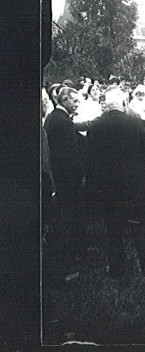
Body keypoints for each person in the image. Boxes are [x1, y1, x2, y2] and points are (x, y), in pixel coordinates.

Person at [85, 88, 145, 277]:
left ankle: (116, 269)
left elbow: (89, 159)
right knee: (139, 226)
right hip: (135, 187)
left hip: (107, 188)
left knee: (113, 229)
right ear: (123, 103)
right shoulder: (138, 124)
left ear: (106, 105)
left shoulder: (96, 127)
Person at [43, 86, 85, 282]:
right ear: (65, 101)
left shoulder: (55, 118)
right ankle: (71, 257)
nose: (77, 104)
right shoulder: (63, 121)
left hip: (59, 177)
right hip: (66, 179)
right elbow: (70, 155)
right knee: (68, 219)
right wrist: (80, 175)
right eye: (75, 101)